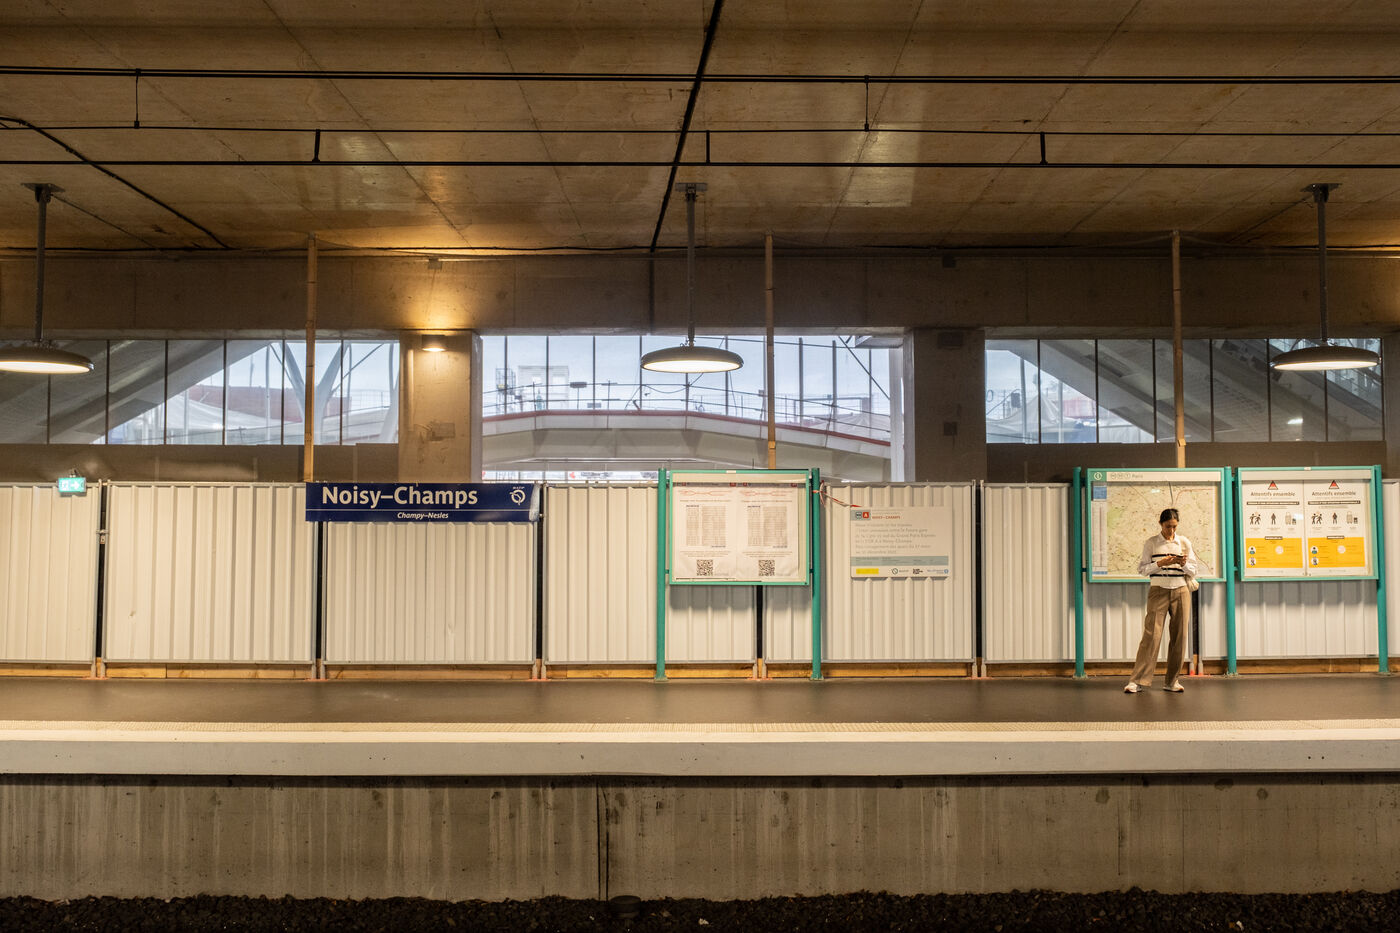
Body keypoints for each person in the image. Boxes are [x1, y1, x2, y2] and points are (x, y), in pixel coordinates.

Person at [1124, 507, 1196, 694]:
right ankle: (1137, 681)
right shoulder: (1152, 543)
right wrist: (1160, 563)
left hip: (1181, 590)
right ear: (1161, 524)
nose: (1171, 530)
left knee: (1180, 637)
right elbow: (1142, 569)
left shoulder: (1184, 542)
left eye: (1174, 526)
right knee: (1151, 636)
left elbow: (1194, 570)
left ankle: (1172, 681)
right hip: (1158, 591)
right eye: (1167, 526)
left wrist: (1183, 564)